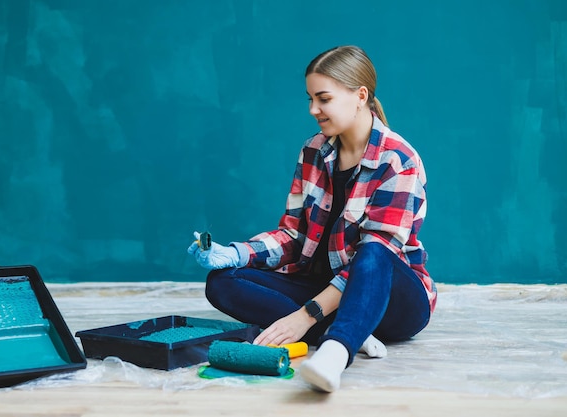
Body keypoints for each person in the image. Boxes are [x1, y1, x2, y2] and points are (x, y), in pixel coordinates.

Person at [187, 45, 437, 392]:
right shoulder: (313, 151)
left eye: (323, 99)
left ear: (360, 96)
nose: (313, 109)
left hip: (396, 301)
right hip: (324, 286)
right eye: (310, 99)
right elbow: (293, 234)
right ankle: (352, 328)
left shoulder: (398, 160)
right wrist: (236, 253)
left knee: (374, 252)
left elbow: (379, 253)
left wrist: (303, 318)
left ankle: (335, 352)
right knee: (222, 282)